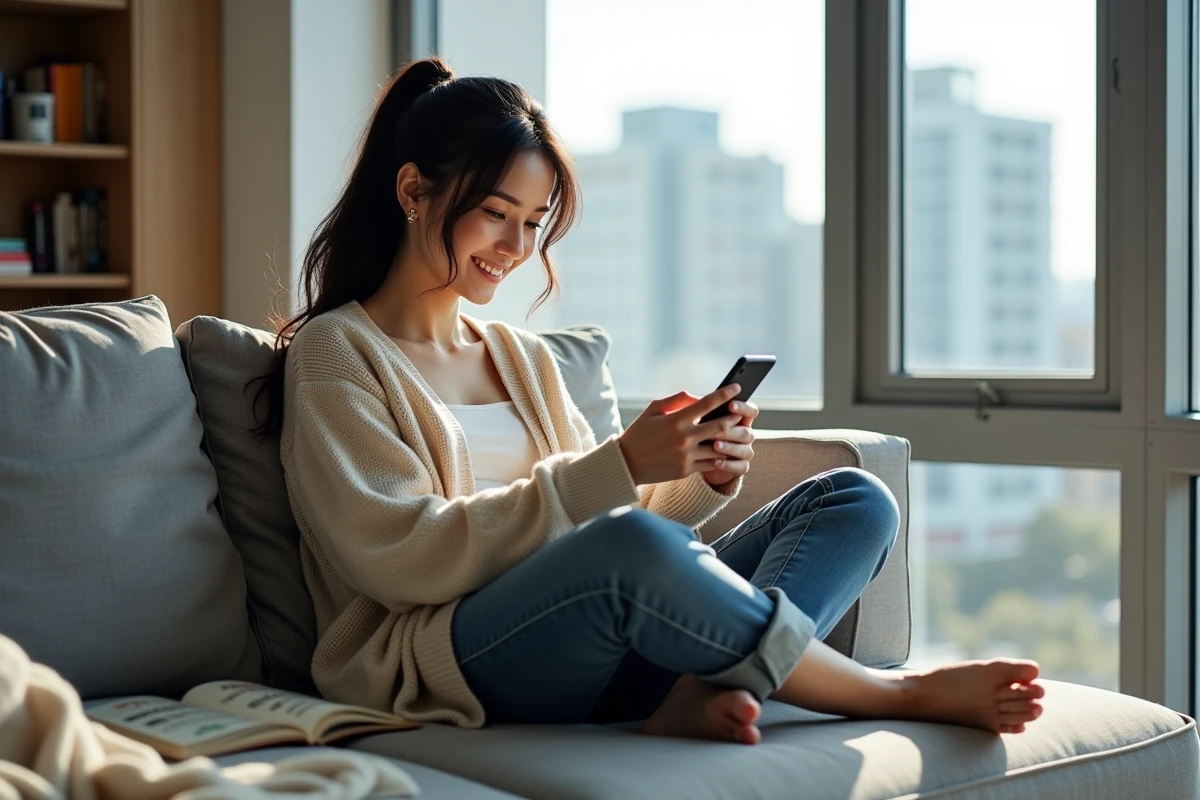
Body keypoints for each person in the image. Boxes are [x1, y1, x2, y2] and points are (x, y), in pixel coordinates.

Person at [258, 56, 1045, 746]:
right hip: (446, 662)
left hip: (592, 645)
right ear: (412, 191)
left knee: (852, 499)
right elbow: (401, 558)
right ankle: (894, 693)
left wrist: (699, 474)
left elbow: (598, 531)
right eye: (496, 213)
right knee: (631, 545)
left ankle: (713, 690)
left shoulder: (523, 358)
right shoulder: (337, 352)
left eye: (534, 223)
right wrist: (619, 465)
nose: (516, 249)